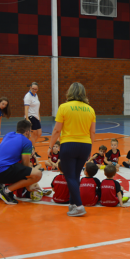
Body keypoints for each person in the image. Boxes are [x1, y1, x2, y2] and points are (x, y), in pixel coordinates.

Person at [47, 82, 96, 217]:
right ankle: (72, 204)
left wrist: (50, 146)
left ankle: (79, 206)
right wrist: (90, 148)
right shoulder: (90, 109)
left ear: (70, 92)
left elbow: (57, 130)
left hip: (69, 145)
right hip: (85, 145)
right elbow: (92, 132)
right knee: (75, 175)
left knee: (70, 176)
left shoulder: (64, 107)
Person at [0, 120, 42, 204]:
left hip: (2, 169)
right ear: (27, 132)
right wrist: (29, 185)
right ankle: (6, 191)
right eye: (30, 131)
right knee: (37, 174)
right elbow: (25, 166)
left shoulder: (8, 135)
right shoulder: (27, 142)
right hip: (2, 171)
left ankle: (2, 186)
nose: (30, 134)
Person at [24, 82, 42, 158]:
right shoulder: (28, 96)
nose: (34, 90)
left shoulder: (36, 95)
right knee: (34, 135)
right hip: (31, 117)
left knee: (39, 133)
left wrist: (39, 116)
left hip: (36, 117)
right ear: (30, 88)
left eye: (36, 89)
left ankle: (31, 146)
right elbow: (26, 108)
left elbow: (37, 107)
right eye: (33, 89)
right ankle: (33, 152)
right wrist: (27, 119)